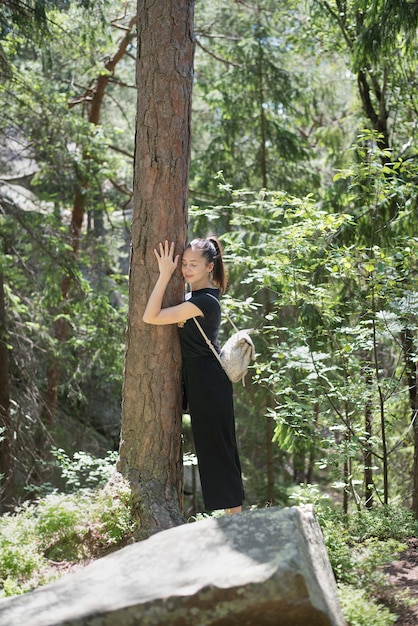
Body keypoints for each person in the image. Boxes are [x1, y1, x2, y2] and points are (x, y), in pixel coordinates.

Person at [142, 237, 244, 514]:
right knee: (213, 448)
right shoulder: (191, 298)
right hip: (199, 380)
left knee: (218, 449)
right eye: (184, 264)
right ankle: (233, 519)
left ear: (210, 267)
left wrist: (164, 274)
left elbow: (150, 316)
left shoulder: (205, 302)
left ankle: (236, 521)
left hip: (209, 382)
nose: (186, 269)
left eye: (193, 265)